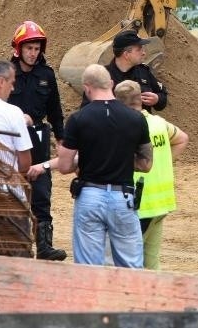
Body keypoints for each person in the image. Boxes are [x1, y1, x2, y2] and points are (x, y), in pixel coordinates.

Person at [57, 64, 152, 268]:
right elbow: (146, 164)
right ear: (110, 83)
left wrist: (83, 160)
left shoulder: (78, 119)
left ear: (87, 88)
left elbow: (64, 166)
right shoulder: (136, 119)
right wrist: (122, 159)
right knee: (131, 267)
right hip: (123, 197)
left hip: (90, 195)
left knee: (88, 269)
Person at [8, 21, 67, 261]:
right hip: (9, 143)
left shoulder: (47, 75)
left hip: (38, 140)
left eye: (36, 48)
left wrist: (62, 139)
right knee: (10, 194)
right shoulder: (5, 73)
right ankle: (15, 245)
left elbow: (55, 110)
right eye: (29, 48)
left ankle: (44, 245)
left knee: (41, 194)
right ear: (18, 49)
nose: (33, 53)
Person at [114, 80, 188, 269]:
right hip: (161, 204)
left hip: (140, 205)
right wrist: (163, 162)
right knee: (152, 262)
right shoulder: (158, 123)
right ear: (140, 99)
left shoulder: (127, 128)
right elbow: (182, 139)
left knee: (130, 262)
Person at [0, 60, 34, 257]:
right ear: (1, 82)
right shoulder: (13, 113)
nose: (13, 87)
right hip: (9, 197)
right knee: (19, 259)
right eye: (11, 82)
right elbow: (25, 162)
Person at [80, 30, 167, 112]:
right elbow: (86, 110)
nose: (144, 53)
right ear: (126, 54)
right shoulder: (100, 77)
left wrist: (157, 99)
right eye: (139, 49)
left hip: (140, 126)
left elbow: (162, 95)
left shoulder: (143, 72)